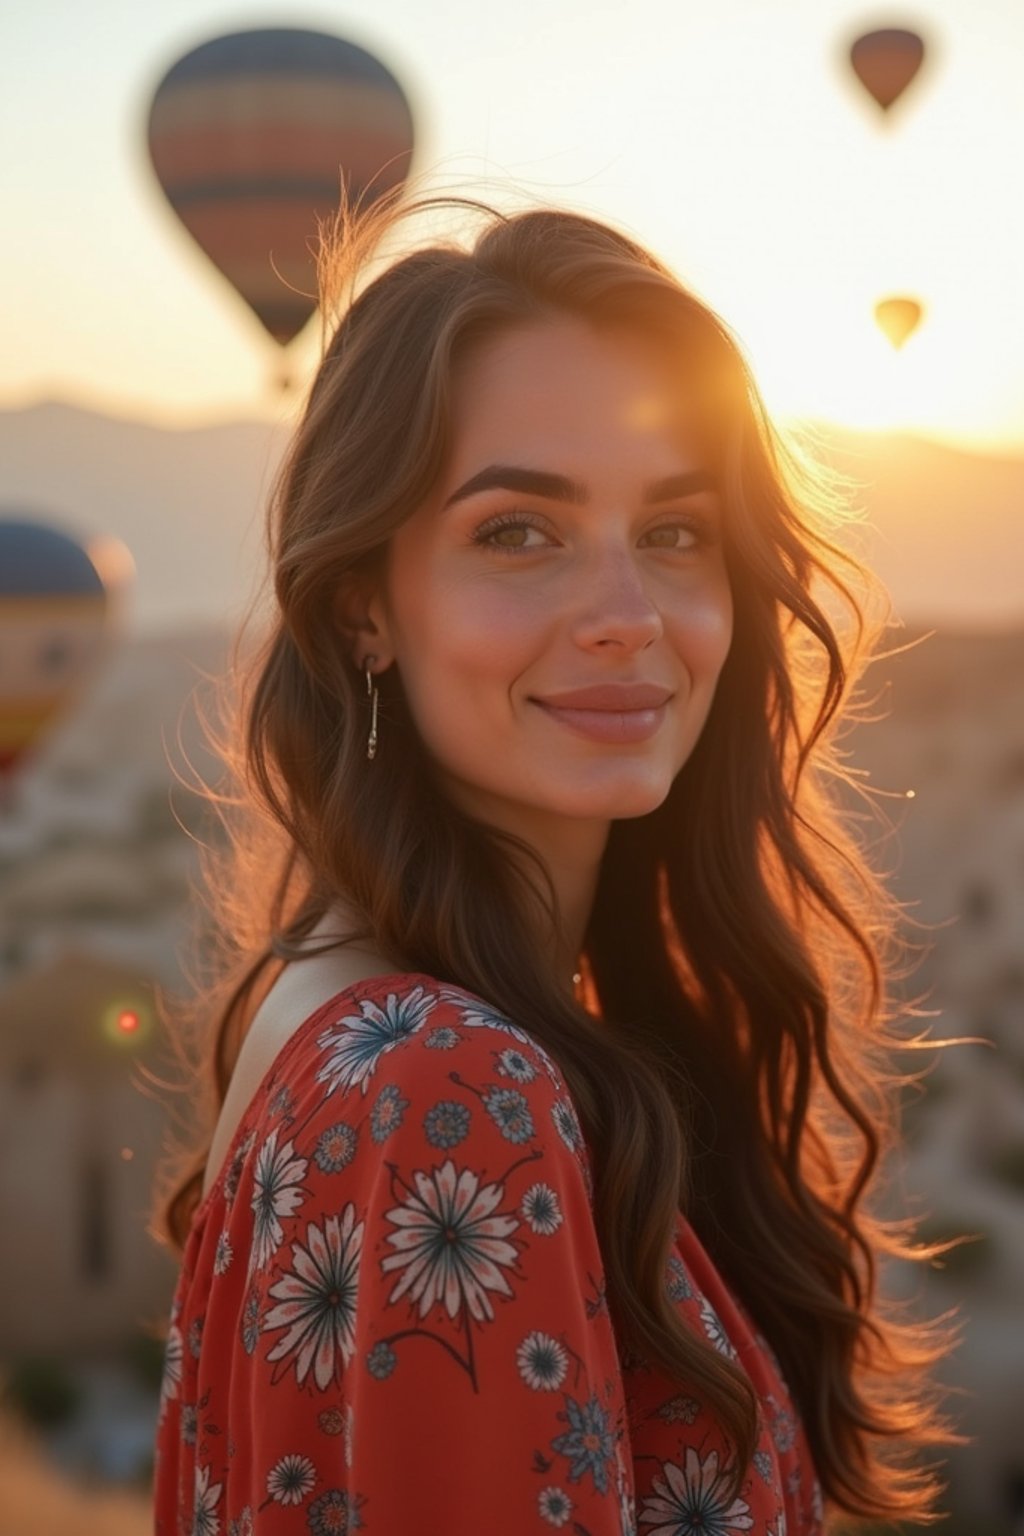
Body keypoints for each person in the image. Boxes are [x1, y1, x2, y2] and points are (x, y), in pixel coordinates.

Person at [149, 196, 955, 1535]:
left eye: (678, 533)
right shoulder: (447, 1083)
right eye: (519, 532)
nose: (628, 619)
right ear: (364, 609)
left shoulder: (340, 1008)